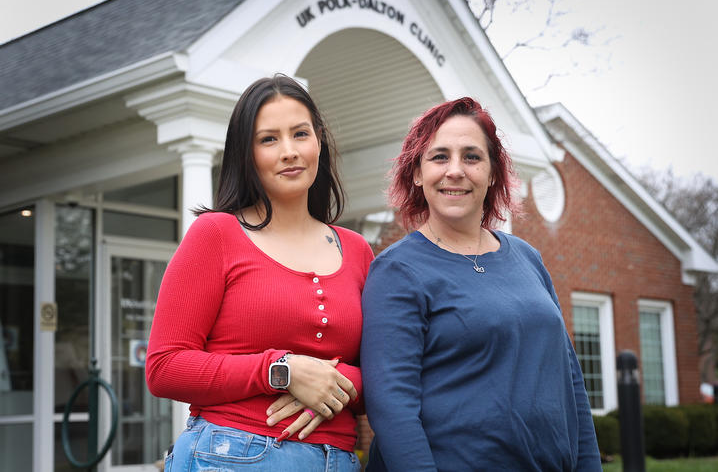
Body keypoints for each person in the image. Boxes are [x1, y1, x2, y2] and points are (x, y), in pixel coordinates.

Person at [146, 75, 374, 471]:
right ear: (246, 154)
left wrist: (337, 383)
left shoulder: (357, 251)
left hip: (337, 460)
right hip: (232, 454)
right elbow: (165, 367)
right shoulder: (215, 235)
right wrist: (281, 371)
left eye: (300, 134)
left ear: (318, 141)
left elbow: (388, 371)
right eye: (269, 139)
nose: (289, 151)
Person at [360, 97, 601, 471]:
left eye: (471, 157)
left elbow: (570, 382)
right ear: (417, 173)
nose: (455, 170)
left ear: (492, 173)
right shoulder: (397, 271)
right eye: (439, 157)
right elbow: (392, 408)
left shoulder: (528, 258)